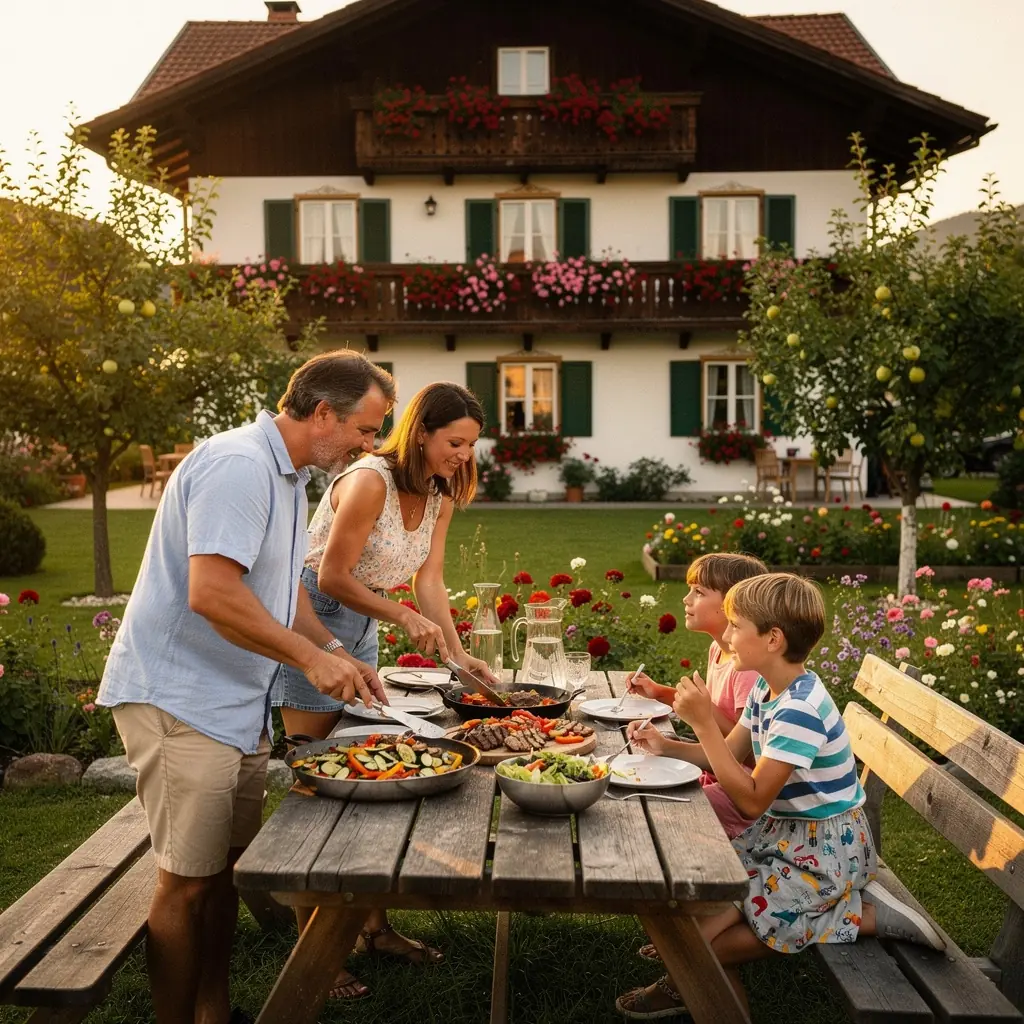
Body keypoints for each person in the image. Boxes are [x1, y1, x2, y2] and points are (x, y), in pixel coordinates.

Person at [96, 350, 394, 1024]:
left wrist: (329, 648)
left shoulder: (287, 476)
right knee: (185, 884)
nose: (368, 446)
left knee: (224, 875)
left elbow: (280, 588)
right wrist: (309, 663)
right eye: (365, 430)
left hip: (233, 703)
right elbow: (212, 592)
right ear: (323, 413)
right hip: (180, 700)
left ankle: (214, 1012)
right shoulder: (239, 465)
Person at [616, 573, 945, 1020]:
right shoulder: (769, 691)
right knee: (696, 920)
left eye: (736, 626)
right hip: (782, 834)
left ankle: (859, 915)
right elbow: (729, 756)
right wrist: (667, 745)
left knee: (705, 948)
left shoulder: (799, 711)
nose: (727, 636)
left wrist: (703, 723)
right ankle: (686, 976)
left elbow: (750, 799)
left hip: (824, 850)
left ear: (772, 639)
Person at [271, 379, 499, 1000]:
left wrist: (459, 657)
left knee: (372, 782)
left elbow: (429, 583)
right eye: (455, 441)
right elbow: (330, 575)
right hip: (311, 624)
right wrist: (400, 618)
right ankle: (313, 949)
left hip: (362, 625)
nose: (463, 455)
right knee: (316, 788)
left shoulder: (439, 493)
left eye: (472, 445)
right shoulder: (369, 479)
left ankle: (373, 928)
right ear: (420, 432)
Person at [627, 552, 768, 843]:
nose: (686, 599)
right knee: (643, 791)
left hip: (742, 792)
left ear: (733, 605)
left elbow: (749, 752)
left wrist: (703, 716)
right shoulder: (719, 651)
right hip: (718, 775)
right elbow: (719, 727)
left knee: (655, 815)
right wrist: (662, 693)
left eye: (699, 592)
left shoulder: (747, 670)